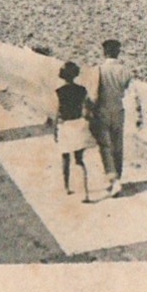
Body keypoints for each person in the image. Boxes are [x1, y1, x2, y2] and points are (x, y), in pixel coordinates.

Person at [54, 62, 101, 200]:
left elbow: (57, 113)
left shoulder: (59, 92)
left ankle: (67, 187)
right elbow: (87, 109)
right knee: (79, 160)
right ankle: (85, 192)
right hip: (79, 125)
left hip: (65, 126)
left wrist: (54, 131)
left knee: (65, 158)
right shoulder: (82, 90)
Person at [93, 41, 132, 195]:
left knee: (105, 146)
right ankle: (119, 177)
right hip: (118, 110)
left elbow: (94, 92)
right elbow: (130, 93)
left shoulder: (99, 70)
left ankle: (112, 179)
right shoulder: (125, 71)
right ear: (118, 52)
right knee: (118, 145)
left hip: (102, 110)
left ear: (104, 52)